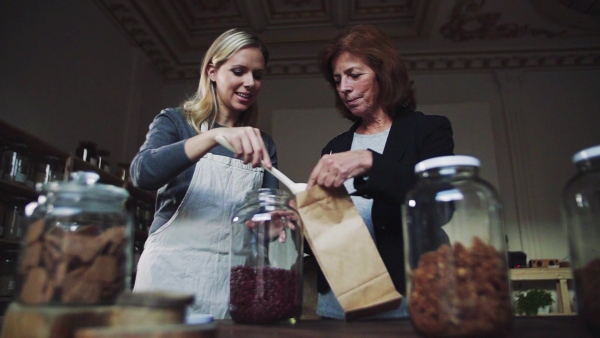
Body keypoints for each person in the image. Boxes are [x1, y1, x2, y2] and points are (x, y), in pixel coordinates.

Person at [306, 24, 455, 320]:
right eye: (337, 80)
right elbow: (325, 231)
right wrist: (297, 222)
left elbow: (440, 205)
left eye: (354, 75)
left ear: (384, 73)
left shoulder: (429, 130)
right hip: (337, 307)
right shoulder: (335, 147)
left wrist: (370, 161)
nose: (344, 88)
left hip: (407, 302)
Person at [130, 28, 278, 319]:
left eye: (258, 75)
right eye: (239, 71)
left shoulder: (262, 144)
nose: (250, 83)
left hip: (229, 283)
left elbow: (262, 221)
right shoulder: (175, 122)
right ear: (212, 70)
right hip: (167, 278)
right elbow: (142, 173)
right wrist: (212, 138)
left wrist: (270, 227)